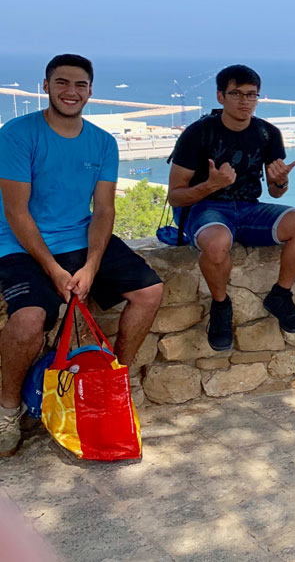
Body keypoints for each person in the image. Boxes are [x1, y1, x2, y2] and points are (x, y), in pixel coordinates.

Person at [0, 54, 163, 456]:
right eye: (62, 83)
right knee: (27, 322)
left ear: (91, 91)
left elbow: (104, 209)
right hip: (20, 243)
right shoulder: (18, 135)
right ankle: (6, 411)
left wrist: (91, 265)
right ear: (46, 86)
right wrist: (55, 270)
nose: (70, 92)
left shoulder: (102, 142)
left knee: (150, 291)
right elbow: (17, 212)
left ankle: (114, 380)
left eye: (80, 85)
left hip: (79, 237)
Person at [167, 64, 295, 351]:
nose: (245, 101)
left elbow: (275, 193)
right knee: (216, 243)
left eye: (252, 95)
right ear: (220, 96)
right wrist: (210, 186)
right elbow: (175, 196)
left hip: (249, 208)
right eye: (236, 93)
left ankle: (280, 294)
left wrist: (281, 182)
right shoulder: (198, 133)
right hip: (206, 208)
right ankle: (221, 306)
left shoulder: (267, 134)